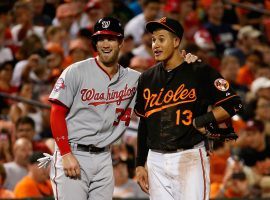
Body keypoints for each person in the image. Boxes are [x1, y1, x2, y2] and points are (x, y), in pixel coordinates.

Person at [47, 16, 198, 200]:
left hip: (104, 158)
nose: (105, 44)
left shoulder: (134, 79)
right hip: (73, 151)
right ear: (95, 43)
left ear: (121, 43)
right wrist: (65, 153)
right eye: (100, 39)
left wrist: (185, 66)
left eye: (111, 38)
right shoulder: (75, 71)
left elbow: (166, 88)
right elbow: (56, 112)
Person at [134, 17, 243, 200]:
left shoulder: (199, 71)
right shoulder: (146, 78)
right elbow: (145, 122)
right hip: (155, 160)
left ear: (176, 41)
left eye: (162, 39)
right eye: (153, 39)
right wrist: (139, 163)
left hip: (189, 156)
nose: (155, 45)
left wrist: (203, 120)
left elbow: (234, 103)